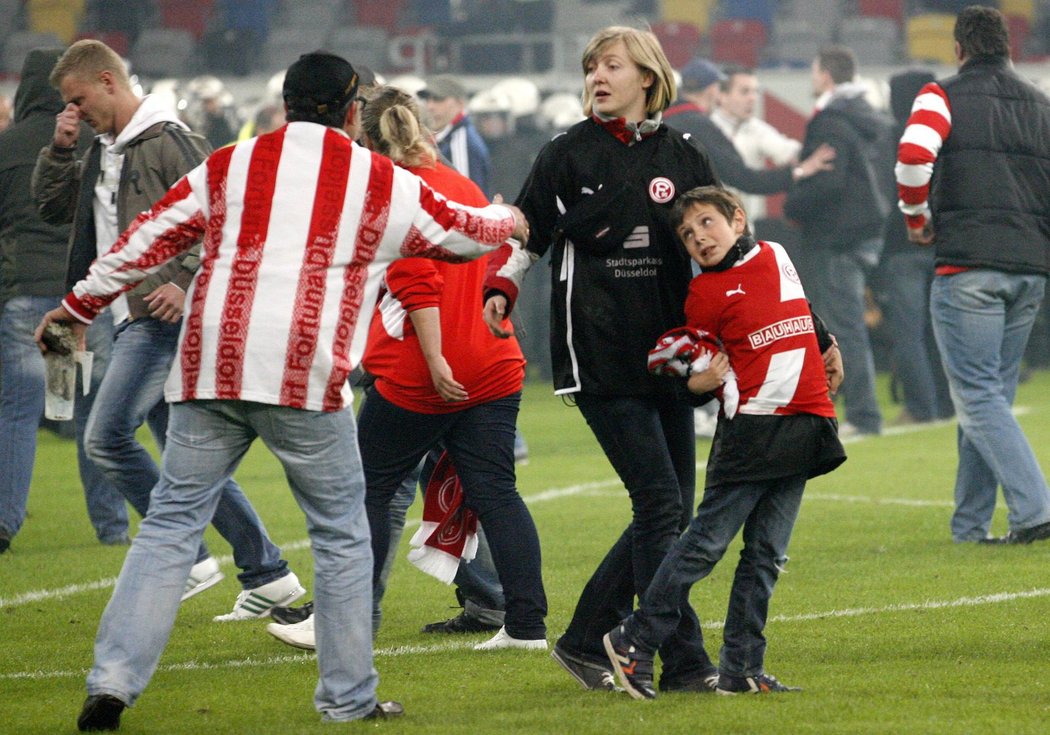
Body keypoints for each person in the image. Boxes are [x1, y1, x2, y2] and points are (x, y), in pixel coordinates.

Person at [35, 49, 528, 730]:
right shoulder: (375, 178)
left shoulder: (229, 164)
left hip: (211, 366)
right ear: (354, 111)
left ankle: (111, 683)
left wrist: (75, 308)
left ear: (286, 104)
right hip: (303, 375)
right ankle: (348, 698)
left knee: (170, 529)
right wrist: (510, 217)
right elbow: (466, 234)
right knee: (342, 536)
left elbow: (141, 243)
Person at [483, 25, 721, 693]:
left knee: (671, 504)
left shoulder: (685, 153)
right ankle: (681, 661)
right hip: (599, 350)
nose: (597, 75)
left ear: (647, 76)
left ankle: (589, 638)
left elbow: (723, 240)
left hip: (670, 351)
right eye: (591, 67)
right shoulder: (566, 152)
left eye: (611, 64)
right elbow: (524, 228)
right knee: (658, 501)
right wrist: (502, 284)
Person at [31, 39, 304, 616]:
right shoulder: (107, 147)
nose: (76, 113)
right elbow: (54, 212)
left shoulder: (170, 140)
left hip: (161, 318)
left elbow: (230, 213)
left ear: (108, 80)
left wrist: (182, 279)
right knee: (187, 462)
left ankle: (190, 559)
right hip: (127, 313)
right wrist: (58, 151)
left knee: (105, 438)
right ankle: (270, 576)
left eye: (79, 100)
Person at [266, 86, 545, 650]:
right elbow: (492, 253)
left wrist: (438, 359)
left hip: (426, 373)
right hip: (493, 364)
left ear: (365, 139)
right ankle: (526, 626)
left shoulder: (393, 193)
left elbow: (418, 284)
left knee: (364, 491)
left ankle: (340, 620)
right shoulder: (458, 184)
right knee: (497, 493)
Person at [602, 186, 846, 699]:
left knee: (767, 557)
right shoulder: (704, 296)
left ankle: (740, 669)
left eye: (707, 223)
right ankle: (635, 639)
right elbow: (689, 368)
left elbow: (797, 305)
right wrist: (692, 386)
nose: (699, 238)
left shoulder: (777, 254)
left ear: (738, 220)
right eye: (688, 235)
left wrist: (827, 343)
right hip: (751, 432)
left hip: (805, 425)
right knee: (703, 547)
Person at [895, 6, 1050, 544]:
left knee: (978, 397)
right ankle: (970, 527)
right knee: (988, 398)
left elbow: (914, 158)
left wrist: (918, 220)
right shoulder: (1040, 102)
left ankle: (1036, 512)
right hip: (1030, 270)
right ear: (1008, 47)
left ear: (959, 50)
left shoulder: (942, 94)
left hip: (969, 268)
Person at [0, 49, 128, 554]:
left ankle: (5, 524)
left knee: (16, 412)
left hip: (26, 300)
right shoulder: (94, 141)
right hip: (80, 302)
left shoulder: (5, 147)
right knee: (90, 413)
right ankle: (112, 527)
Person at [784, 45, 892, 437]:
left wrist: (792, 205)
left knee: (844, 330)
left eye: (814, 72)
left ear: (825, 76)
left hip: (836, 238)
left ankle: (863, 416)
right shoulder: (869, 117)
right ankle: (858, 411)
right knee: (849, 325)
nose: (813, 79)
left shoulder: (830, 120)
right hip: (868, 234)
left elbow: (827, 182)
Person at [878, 68, 953, 426]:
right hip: (941, 247)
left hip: (902, 246)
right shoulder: (945, 135)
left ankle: (920, 407)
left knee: (908, 333)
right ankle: (945, 404)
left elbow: (885, 194)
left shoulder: (893, 137)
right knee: (938, 332)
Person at [710, 65, 804, 223]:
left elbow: (790, 153)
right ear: (722, 96)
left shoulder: (757, 130)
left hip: (745, 228)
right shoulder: (707, 129)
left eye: (755, 91)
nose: (753, 98)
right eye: (745, 91)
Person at [419, 74, 492, 196]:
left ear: (460, 104)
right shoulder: (445, 138)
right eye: (427, 99)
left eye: (438, 99)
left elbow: (466, 197)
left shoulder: (460, 142)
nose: (430, 106)